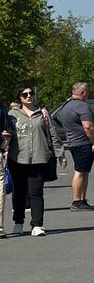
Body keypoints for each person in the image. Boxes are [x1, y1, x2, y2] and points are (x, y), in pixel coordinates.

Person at [6, 85, 57, 236]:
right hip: (17, 159)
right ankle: (19, 222)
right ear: (20, 98)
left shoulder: (42, 114)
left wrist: (59, 153)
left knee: (36, 191)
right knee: (20, 192)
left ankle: (37, 225)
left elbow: (52, 133)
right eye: (25, 94)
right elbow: (6, 133)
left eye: (31, 93)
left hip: (39, 158)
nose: (29, 96)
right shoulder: (12, 115)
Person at [57, 82, 94, 211]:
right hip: (83, 143)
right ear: (82, 92)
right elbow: (88, 126)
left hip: (73, 142)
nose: (88, 94)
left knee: (84, 172)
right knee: (80, 172)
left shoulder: (66, 106)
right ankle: (76, 201)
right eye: (87, 92)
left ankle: (82, 199)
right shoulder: (82, 106)